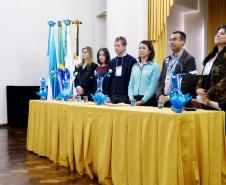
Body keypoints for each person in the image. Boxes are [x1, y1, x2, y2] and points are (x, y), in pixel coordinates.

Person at [156, 31, 197, 107]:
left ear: (183, 42)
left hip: (179, 102)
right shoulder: (166, 59)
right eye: (170, 40)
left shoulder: (189, 59)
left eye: (174, 39)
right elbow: (161, 80)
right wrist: (160, 95)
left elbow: (187, 84)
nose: (171, 42)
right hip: (164, 101)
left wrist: (168, 98)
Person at [196, 25, 226, 111]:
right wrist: (198, 89)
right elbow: (203, 76)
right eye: (217, 34)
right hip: (205, 100)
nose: (217, 35)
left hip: (220, 101)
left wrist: (207, 93)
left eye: (222, 34)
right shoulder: (211, 56)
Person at [128, 40, 160, 106]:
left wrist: (142, 101)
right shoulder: (135, 66)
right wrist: (131, 99)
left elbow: (153, 87)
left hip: (148, 100)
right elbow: (131, 85)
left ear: (149, 51)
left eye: (144, 48)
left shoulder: (155, 66)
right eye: (139, 48)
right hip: (134, 99)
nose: (141, 50)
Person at [109, 36, 137, 104]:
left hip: (126, 96)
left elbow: (133, 79)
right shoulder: (112, 61)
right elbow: (110, 79)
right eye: (115, 46)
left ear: (124, 46)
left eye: (118, 45)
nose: (116, 48)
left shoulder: (132, 60)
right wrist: (108, 95)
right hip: (113, 95)